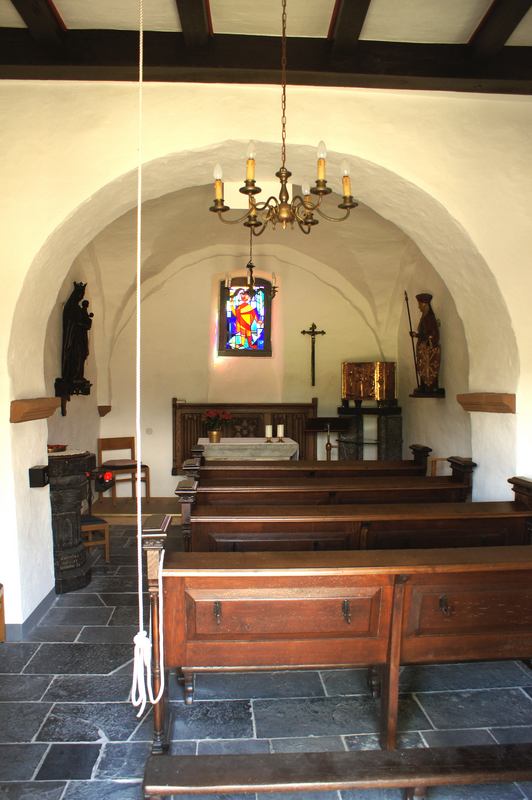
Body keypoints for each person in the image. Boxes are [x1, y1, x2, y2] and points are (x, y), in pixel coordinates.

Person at [61, 282, 93, 382]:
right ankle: (74, 374)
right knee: (76, 354)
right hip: (74, 337)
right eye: (80, 295)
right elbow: (72, 321)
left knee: (80, 355)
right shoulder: (71, 307)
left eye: (82, 295)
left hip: (80, 336)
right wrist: (82, 323)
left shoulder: (79, 308)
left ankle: (78, 375)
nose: (81, 297)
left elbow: (83, 320)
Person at [410, 293, 441, 393]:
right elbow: (424, 333)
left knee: (428, 367)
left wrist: (426, 341)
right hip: (422, 348)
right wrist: (417, 336)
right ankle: (423, 385)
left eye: (420, 304)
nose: (418, 307)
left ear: (425, 305)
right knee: (422, 366)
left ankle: (431, 386)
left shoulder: (429, 317)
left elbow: (433, 333)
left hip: (428, 348)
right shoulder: (424, 317)